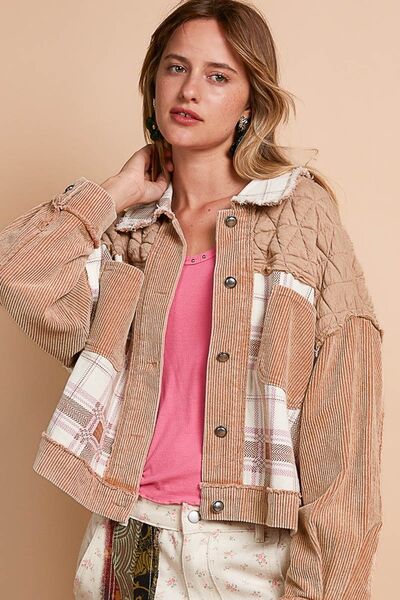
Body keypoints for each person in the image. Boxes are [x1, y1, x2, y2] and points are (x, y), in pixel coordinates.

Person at [0, 1, 384, 599]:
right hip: (127, 534)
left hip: (249, 554)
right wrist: (115, 190)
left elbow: (343, 438)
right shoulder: (129, 233)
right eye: (176, 67)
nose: (190, 90)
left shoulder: (301, 220)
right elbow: (19, 271)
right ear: (153, 81)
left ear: (251, 102)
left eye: (218, 76)